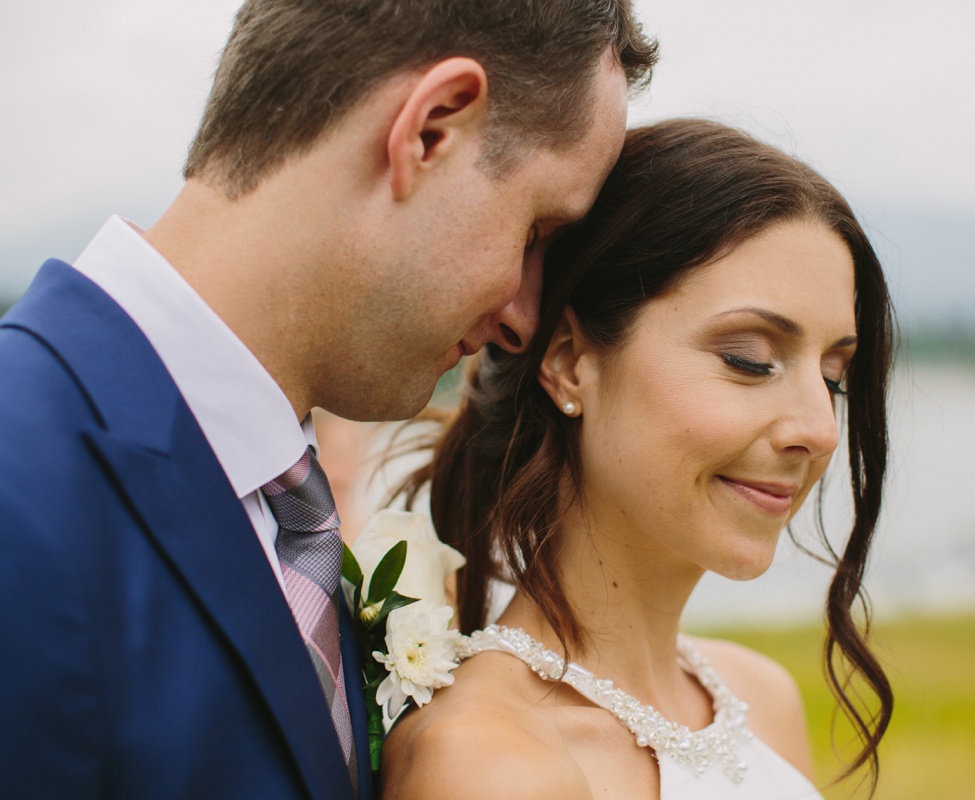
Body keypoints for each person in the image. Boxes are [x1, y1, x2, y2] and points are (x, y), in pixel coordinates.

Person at [0, 2, 656, 798]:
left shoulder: (291, 515)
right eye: (534, 233)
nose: (524, 318)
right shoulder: (20, 481)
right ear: (430, 131)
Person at [382, 119, 896, 799]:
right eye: (750, 359)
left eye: (832, 376)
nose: (821, 429)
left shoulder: (762, 699)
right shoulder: (491, 763)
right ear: (569, 363)